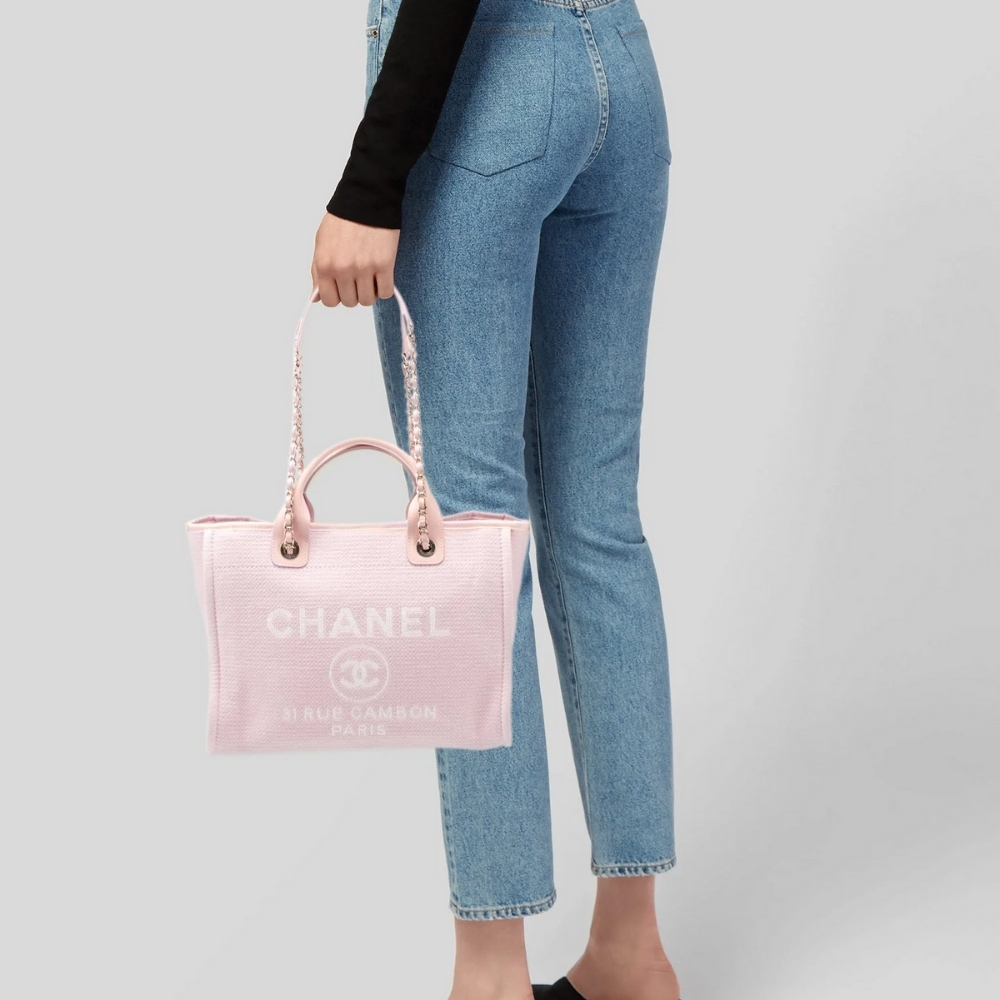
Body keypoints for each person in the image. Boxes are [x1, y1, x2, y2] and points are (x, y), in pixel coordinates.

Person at [310, 1, 680, 999]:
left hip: (482, 91)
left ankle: (488, 976)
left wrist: (371, 182)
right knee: (598, 523)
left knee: (469, 544)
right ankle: (630, 953)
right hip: (618, 66)